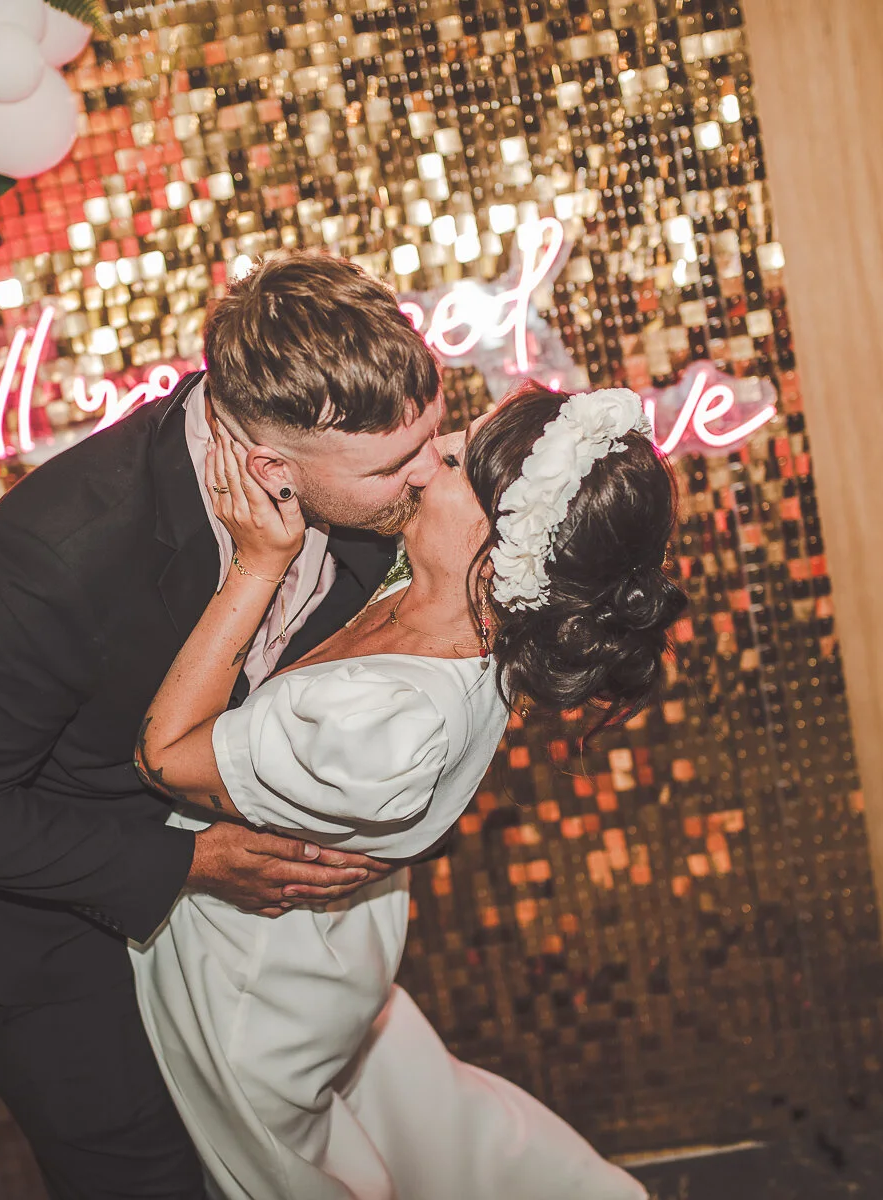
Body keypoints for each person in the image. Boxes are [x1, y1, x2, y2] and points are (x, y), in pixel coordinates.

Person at [0, 252, 450, 1199]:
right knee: (149, 1171)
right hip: (21, 912)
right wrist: (188, 862)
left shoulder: (358, 481)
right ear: (269, 467)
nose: (431, 473)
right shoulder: (60, 550)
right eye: (393, 466)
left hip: (205, 887)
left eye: (433, 434)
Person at [133, 381, 685, 1199]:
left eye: (456, 462)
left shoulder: (394, 724)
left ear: (497, 555)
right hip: (337, 950)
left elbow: (165, 756)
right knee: (438, 1138)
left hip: (254, 993)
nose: (429, 459)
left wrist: (258, 563)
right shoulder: (440, 600)